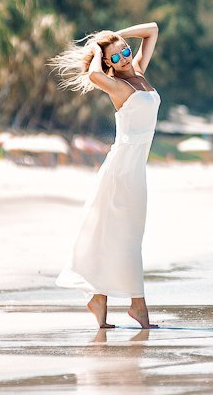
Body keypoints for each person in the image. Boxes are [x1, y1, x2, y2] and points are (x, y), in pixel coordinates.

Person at [48, 21, 161, 329]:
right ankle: (137, 305)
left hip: (135, 167)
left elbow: (152, 29)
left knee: (122, 234)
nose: (124, 58)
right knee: (127, 236)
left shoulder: (138, 73)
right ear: (108, 63)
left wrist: (116, 37)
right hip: (122, 169)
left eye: (125, 52)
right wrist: (99, 50)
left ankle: (100, 299)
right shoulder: (118, 86)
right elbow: (94, 76)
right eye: (116, 57)